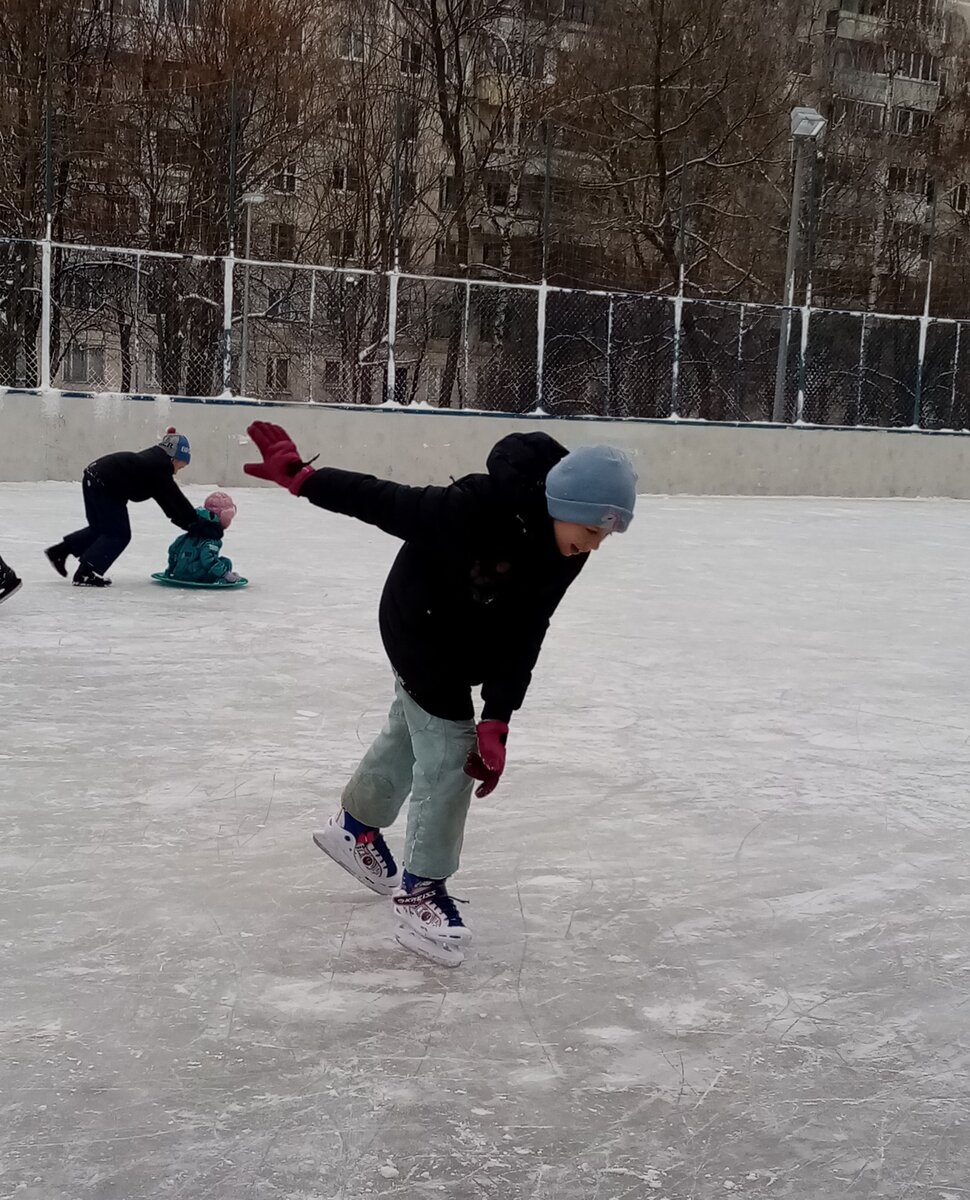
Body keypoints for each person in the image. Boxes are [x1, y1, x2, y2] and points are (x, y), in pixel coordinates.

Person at [244, 420, 637, 966]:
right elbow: (386, 502)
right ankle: (421, 890)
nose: (592, 546)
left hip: (473, 636)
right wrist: (306, 479)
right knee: (452, 753)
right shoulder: (477, 506)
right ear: (561, 502)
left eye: (603, 537)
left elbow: (528, 626)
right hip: (418, 624)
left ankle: (354, 828)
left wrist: (498, 715)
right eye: (592, 530)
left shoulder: (565, 549)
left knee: (412, 730)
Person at [45, 428, 198, 587]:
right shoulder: (160, 467)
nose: (177, 472)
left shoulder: (154, 462)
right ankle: (85, 573)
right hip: (106, 483)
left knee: (101, 530)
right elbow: (176, 501)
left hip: (93, 475)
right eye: (180, 466)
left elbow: (169, 504)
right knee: (118, 534)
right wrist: (196, 523)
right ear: (174, 457)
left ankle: (59, 552)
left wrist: (189, 523)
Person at [164, 491, 242, 585]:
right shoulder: (212, 540)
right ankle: (220, 578)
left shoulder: (187, 536)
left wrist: (171, 569)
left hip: (179, 574)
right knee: (226, 562)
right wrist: (225, 574)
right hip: (195, 576)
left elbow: (173, 550)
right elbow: (208, 560)